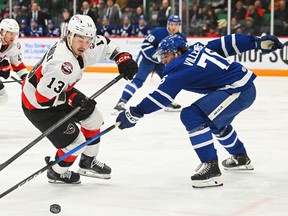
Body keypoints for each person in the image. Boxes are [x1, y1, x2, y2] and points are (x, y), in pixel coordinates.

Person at [115, 33, 284, 188]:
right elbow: (228, 43)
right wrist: (256, 43)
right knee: (216, 122)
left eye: (166, 55)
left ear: (178, 52)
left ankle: (211, 168)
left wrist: (134, 113)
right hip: (242, 87)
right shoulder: (199, 47)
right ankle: (240, 158)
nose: (163, 61)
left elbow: (161, 97)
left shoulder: (179, 67)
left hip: (237, 89)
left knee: (192, 115)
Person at [21, 15, 138, 184]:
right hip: (37, 106)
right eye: (80, 40)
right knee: (76, 142)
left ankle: (87, 162)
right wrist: (73, 100)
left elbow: (105, 44)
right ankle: (56, 172)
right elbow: (43, 99)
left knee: (94, 118)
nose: (84, 45)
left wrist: (122, 58)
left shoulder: (86, 45)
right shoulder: (62, 65)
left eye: (88, 40)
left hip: (56, 92)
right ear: (69, 35)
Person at [112, 15, 186, 115]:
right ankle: (121, 103)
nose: (174, 27)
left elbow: (182, 53)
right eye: (172, 24)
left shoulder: (181, 37)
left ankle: (168, 102)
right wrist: (157, 56)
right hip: (148, 60)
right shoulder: (159, 32)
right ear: (168, 24)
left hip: (162, 62)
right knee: (137, 81)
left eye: (176, 25)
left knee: (170, 80)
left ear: (179, 26)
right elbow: (145, 45)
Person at [0, 18, 28, 104]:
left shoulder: (14, 46)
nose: (13, 36)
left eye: (15, 33)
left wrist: (26, 79)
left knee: (3, 97)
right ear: (2, 32)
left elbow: (18, 65)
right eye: (11, 33)